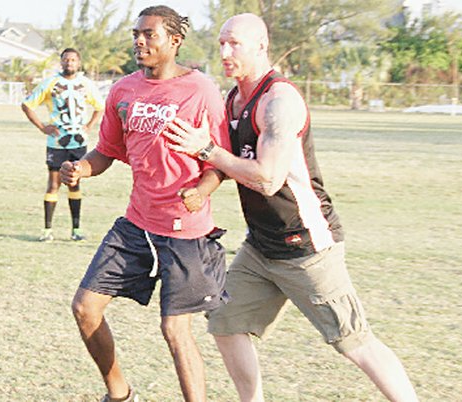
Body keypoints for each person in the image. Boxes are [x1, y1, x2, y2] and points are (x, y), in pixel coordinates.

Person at [163, 13, 419, 402]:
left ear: (262, 45)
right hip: (261, 247)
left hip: (307, 248)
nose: (225, 51)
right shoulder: (233, 99)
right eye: (221, 44)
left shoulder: (279, 101)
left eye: (235, 43)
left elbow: (267, 177)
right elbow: (230, 164)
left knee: (354, 342)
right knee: (225, 321)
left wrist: (207, 149)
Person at [59, 6, 230, 402]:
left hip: (186, 233)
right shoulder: (123, 91)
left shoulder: (201, 89)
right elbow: (106, 152)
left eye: (149, 34)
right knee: (85, 307)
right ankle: (119, 394)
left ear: (175, 40)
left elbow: (219, 159)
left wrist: (202, 191)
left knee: (174, 331)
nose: (139, 41)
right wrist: (81, 169)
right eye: (136, 33)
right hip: (137, 224)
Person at [21, 48, 104, 242]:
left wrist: (89, 125)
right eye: (66, 60)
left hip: (78, 141)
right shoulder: (50, 83)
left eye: (73, 60)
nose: (70, 63)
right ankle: (47, 230)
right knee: (53, 184)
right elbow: (27, 105)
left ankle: (76, 229)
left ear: (79, 63)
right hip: (57, 142)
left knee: (74, 183)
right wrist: (43, 127)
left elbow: (100, 107)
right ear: (61, 62)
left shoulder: (86, 84)